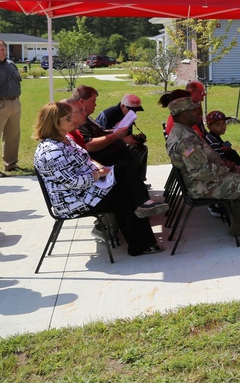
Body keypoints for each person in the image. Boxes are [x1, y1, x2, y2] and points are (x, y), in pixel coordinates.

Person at [34, 102, 163, 256]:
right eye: (68, 119)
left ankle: (143, 204)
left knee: (125, 167)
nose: (73, 120)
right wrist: (98, 174)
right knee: (125, 196)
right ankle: (142, 244)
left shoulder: (65, 139)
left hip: (87, 189)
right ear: (55, 123)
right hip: (74, 200)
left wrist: (99, 168)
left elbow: (85, 158)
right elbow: (74, 183)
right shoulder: (51, 151)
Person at [166, 98, 240, 246]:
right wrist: (227, 169)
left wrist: (225, 164)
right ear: (184, 114)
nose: (200, 112)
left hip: (207, 179)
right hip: (203, 186)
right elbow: (202, 172)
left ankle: (238, 226)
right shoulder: (185, 140)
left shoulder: (184, 130)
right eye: (195, 110)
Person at [72, 85, 150, 185]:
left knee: (136, 151)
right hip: (95, 159)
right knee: (130, 154)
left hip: (103, 154)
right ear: (82, 101)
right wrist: (118, 137)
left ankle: (136, 184)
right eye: (93, 101)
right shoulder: (80, 120)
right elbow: (88, 145)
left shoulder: (86, 118)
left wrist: (116, 131)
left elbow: (102, 132)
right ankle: (132, 187)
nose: (95, 105)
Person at [0, 38, 23, 174]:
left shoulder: (11, 64)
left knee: (13, 136)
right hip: (0, 103)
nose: (1, 52)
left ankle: (11, 164)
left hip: (15, 103)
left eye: (3, 49)